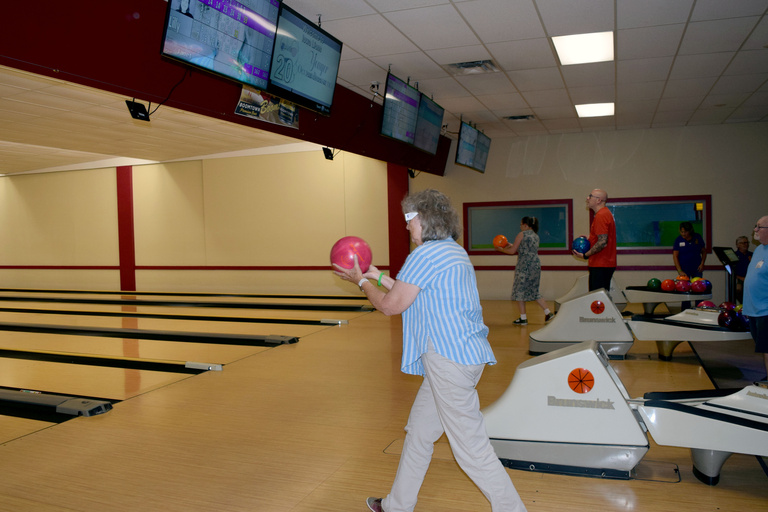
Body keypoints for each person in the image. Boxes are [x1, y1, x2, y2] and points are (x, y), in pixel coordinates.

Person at [333, 189, 527, 512]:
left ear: (424, 218)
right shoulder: (452, 251)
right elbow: (412, 292)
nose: (406, 226)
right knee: (419, 433)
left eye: (409, 219)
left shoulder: (423, 256)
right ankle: (397, 505)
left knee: (471, 449)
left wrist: (361, 283)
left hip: (448, 361)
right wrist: (376, 276)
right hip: (465, 356)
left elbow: (390, 306)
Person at [496, 216, 553, 325]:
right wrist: (509, 245)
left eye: (521, 224)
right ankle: (548, 312)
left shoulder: (522, 234)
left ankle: (523, 318)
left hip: (524, 265)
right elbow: (523, 248)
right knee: (534, 290)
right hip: (535, 264)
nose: (520, 226)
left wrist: (501, 249)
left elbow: (512, 251)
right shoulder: (535, 236)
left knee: (519, 290)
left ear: (526, 225)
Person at [572, 189, 616, 292]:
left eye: (590, 196)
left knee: (598, 298)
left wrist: (585, 255)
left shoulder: (601, 215)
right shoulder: (604, 213)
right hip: (603, 264)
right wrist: (591, 237)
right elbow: (604, 237)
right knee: (599, 296)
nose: (587, 198)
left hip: (601, 264)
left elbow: (602, 242)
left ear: (598, 200)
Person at [743, 216, 768, 378]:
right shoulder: (759, 249)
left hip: (765, 310)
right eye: (755, 226)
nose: (755, 230)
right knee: (764, 348)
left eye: (759, 227)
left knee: (767, 349)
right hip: (754, 310)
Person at [734, 235, 753, 304]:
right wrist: (740, 278)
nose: (746, 245)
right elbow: (731, 270)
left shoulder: (752, 255)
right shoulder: (734, 255)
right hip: (739, 280)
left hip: (751, 280)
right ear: (738, 245)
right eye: (744, 243)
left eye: (747, 242)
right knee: (738, 290)